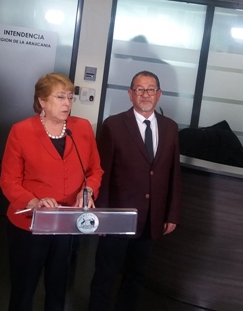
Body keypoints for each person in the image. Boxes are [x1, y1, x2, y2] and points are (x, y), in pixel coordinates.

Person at [0, 73, 103, 311]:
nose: (67, 103)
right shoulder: (21, 131)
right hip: (29, 225)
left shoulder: (82, 128)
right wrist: (33, 201)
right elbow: (8, 181)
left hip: (68, 224)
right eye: (60, 97)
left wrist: (88, 190)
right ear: (42, 101)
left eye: (70, 97)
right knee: (24, 290)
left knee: (59, 290)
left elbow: (95, 170)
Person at [89, 71, 182, 311]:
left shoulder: (170, 128)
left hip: (151, 218)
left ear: (159, 94)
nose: (145, 94)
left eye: (151, 89)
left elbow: (173, 173)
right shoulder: (113, 125)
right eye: (139, 89)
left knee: (136, 277)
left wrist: (171, 213)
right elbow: (102, 173)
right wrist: (101, 215)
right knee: (105, 275)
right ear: (130, 94)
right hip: (117, 217)